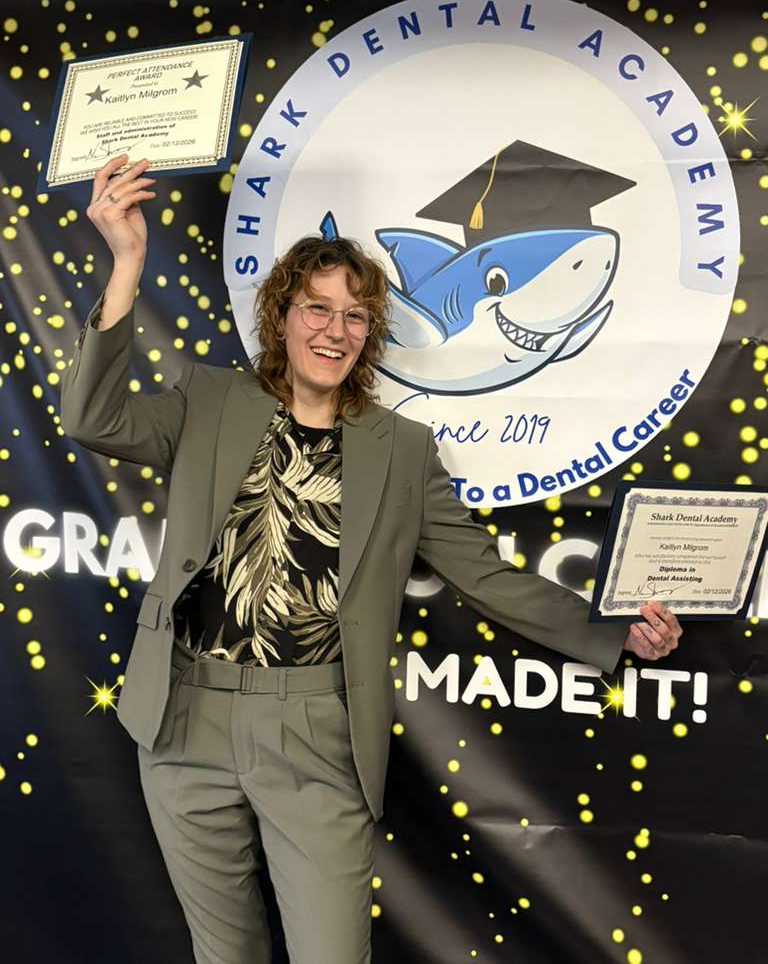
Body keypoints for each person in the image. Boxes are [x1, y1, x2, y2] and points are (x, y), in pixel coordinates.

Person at [61, 155, 682, 964]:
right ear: (281, 316)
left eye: (355, 317)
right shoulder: (208, 400)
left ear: (373, 333)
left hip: (316, 729)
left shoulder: (403, 450)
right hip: (183, 717)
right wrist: (127, 261)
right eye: (317, 308)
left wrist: (613, 633)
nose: (335, 330)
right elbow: (93, 419)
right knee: (224, 953)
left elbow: (484, 576)